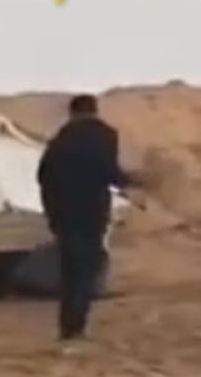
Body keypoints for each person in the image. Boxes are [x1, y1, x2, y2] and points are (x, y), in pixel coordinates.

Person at [37, 92, 131, 343]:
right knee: (88, 268)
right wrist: (130, 182)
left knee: (69, 270)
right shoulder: (106, 135)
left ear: (72, 113)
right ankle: (78, 324)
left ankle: (68, 327)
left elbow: (43, 175)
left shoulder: (59, 140)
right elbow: (109, 172)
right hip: (92, 211)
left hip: (64, 213)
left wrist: (51, 209)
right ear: (94, 110)